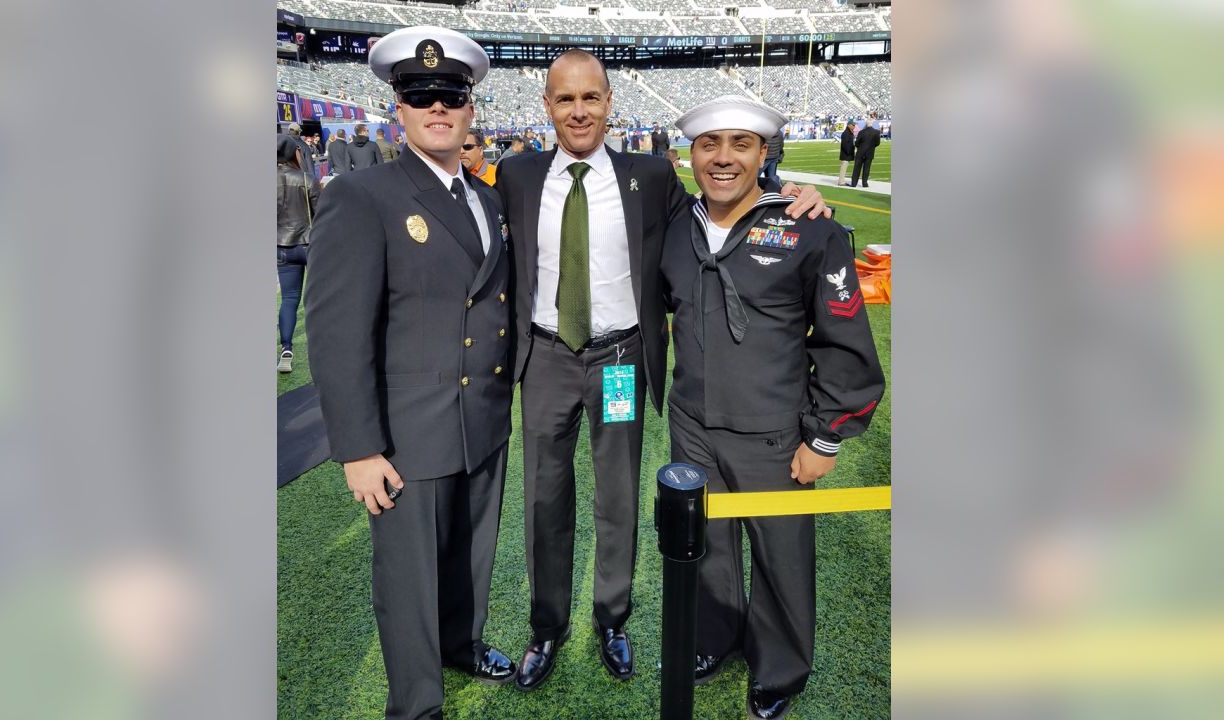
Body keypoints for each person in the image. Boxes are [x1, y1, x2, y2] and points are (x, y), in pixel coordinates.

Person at [495, 48, 829, 693]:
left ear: (609, 103)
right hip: (546, 360)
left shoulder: (650, 176)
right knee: (544, 496)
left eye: (591, 97)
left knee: (618, 494)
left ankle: (612, 618)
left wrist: (790, 191)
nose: (579, 111)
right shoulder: (516, 174)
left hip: (620, 358)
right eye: (565, 99)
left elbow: (726, 209)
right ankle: (546, 626)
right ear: (547, 106)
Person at [303, 26, 517, 720]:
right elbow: (337, 335)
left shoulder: (484, 198)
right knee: (409, 578)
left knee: (469, 558)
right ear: (398, 107)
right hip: (405, 432)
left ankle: (462, 644)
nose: (437, 108)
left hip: (480, 421)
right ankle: (417, 704)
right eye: (420, 95)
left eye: (450, 95)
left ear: (470, 107)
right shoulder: (363, 195)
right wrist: (359, 449)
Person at [662, 95, 885, 720]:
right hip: (693, 425)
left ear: (764, 153)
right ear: (691, 155)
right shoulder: (676, 224)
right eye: (710, 145)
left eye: (741, 144)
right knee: (705, 548)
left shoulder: (809, 227)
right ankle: (714, 639)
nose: (724, 158)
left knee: (781, 558)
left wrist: (825, 438)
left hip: (774, 434)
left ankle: (781, 668)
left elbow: (844, 342)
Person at [277, 135, 320, 373]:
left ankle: (286, 348)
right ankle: (321, 347)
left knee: (289, 299)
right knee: (315, 297)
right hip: (309, 244)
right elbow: (321, 215)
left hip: (282, 246)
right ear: (295, 153)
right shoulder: (306, 179)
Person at [851, 114, 882, 188]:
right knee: (867, 168)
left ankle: (854, 183)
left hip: (860, 152)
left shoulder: (861, 132)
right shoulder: (876, 132)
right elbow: (877, 143)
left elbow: (857, 143)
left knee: (856, 168)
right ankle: (864, 183)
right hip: (870, 153)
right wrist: (871, 147)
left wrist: (860, 147)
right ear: (872, 124)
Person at [837, 120, 855, 186]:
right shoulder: (846, 133)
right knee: (843, 168)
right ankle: (841, 182)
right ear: (849, 125)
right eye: (853, 125)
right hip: (846, 154)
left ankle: (842, 181)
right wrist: (849, 152)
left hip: (847, 154)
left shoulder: (849, 132)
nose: (854, 126)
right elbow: (845, 145)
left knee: (844, 168)